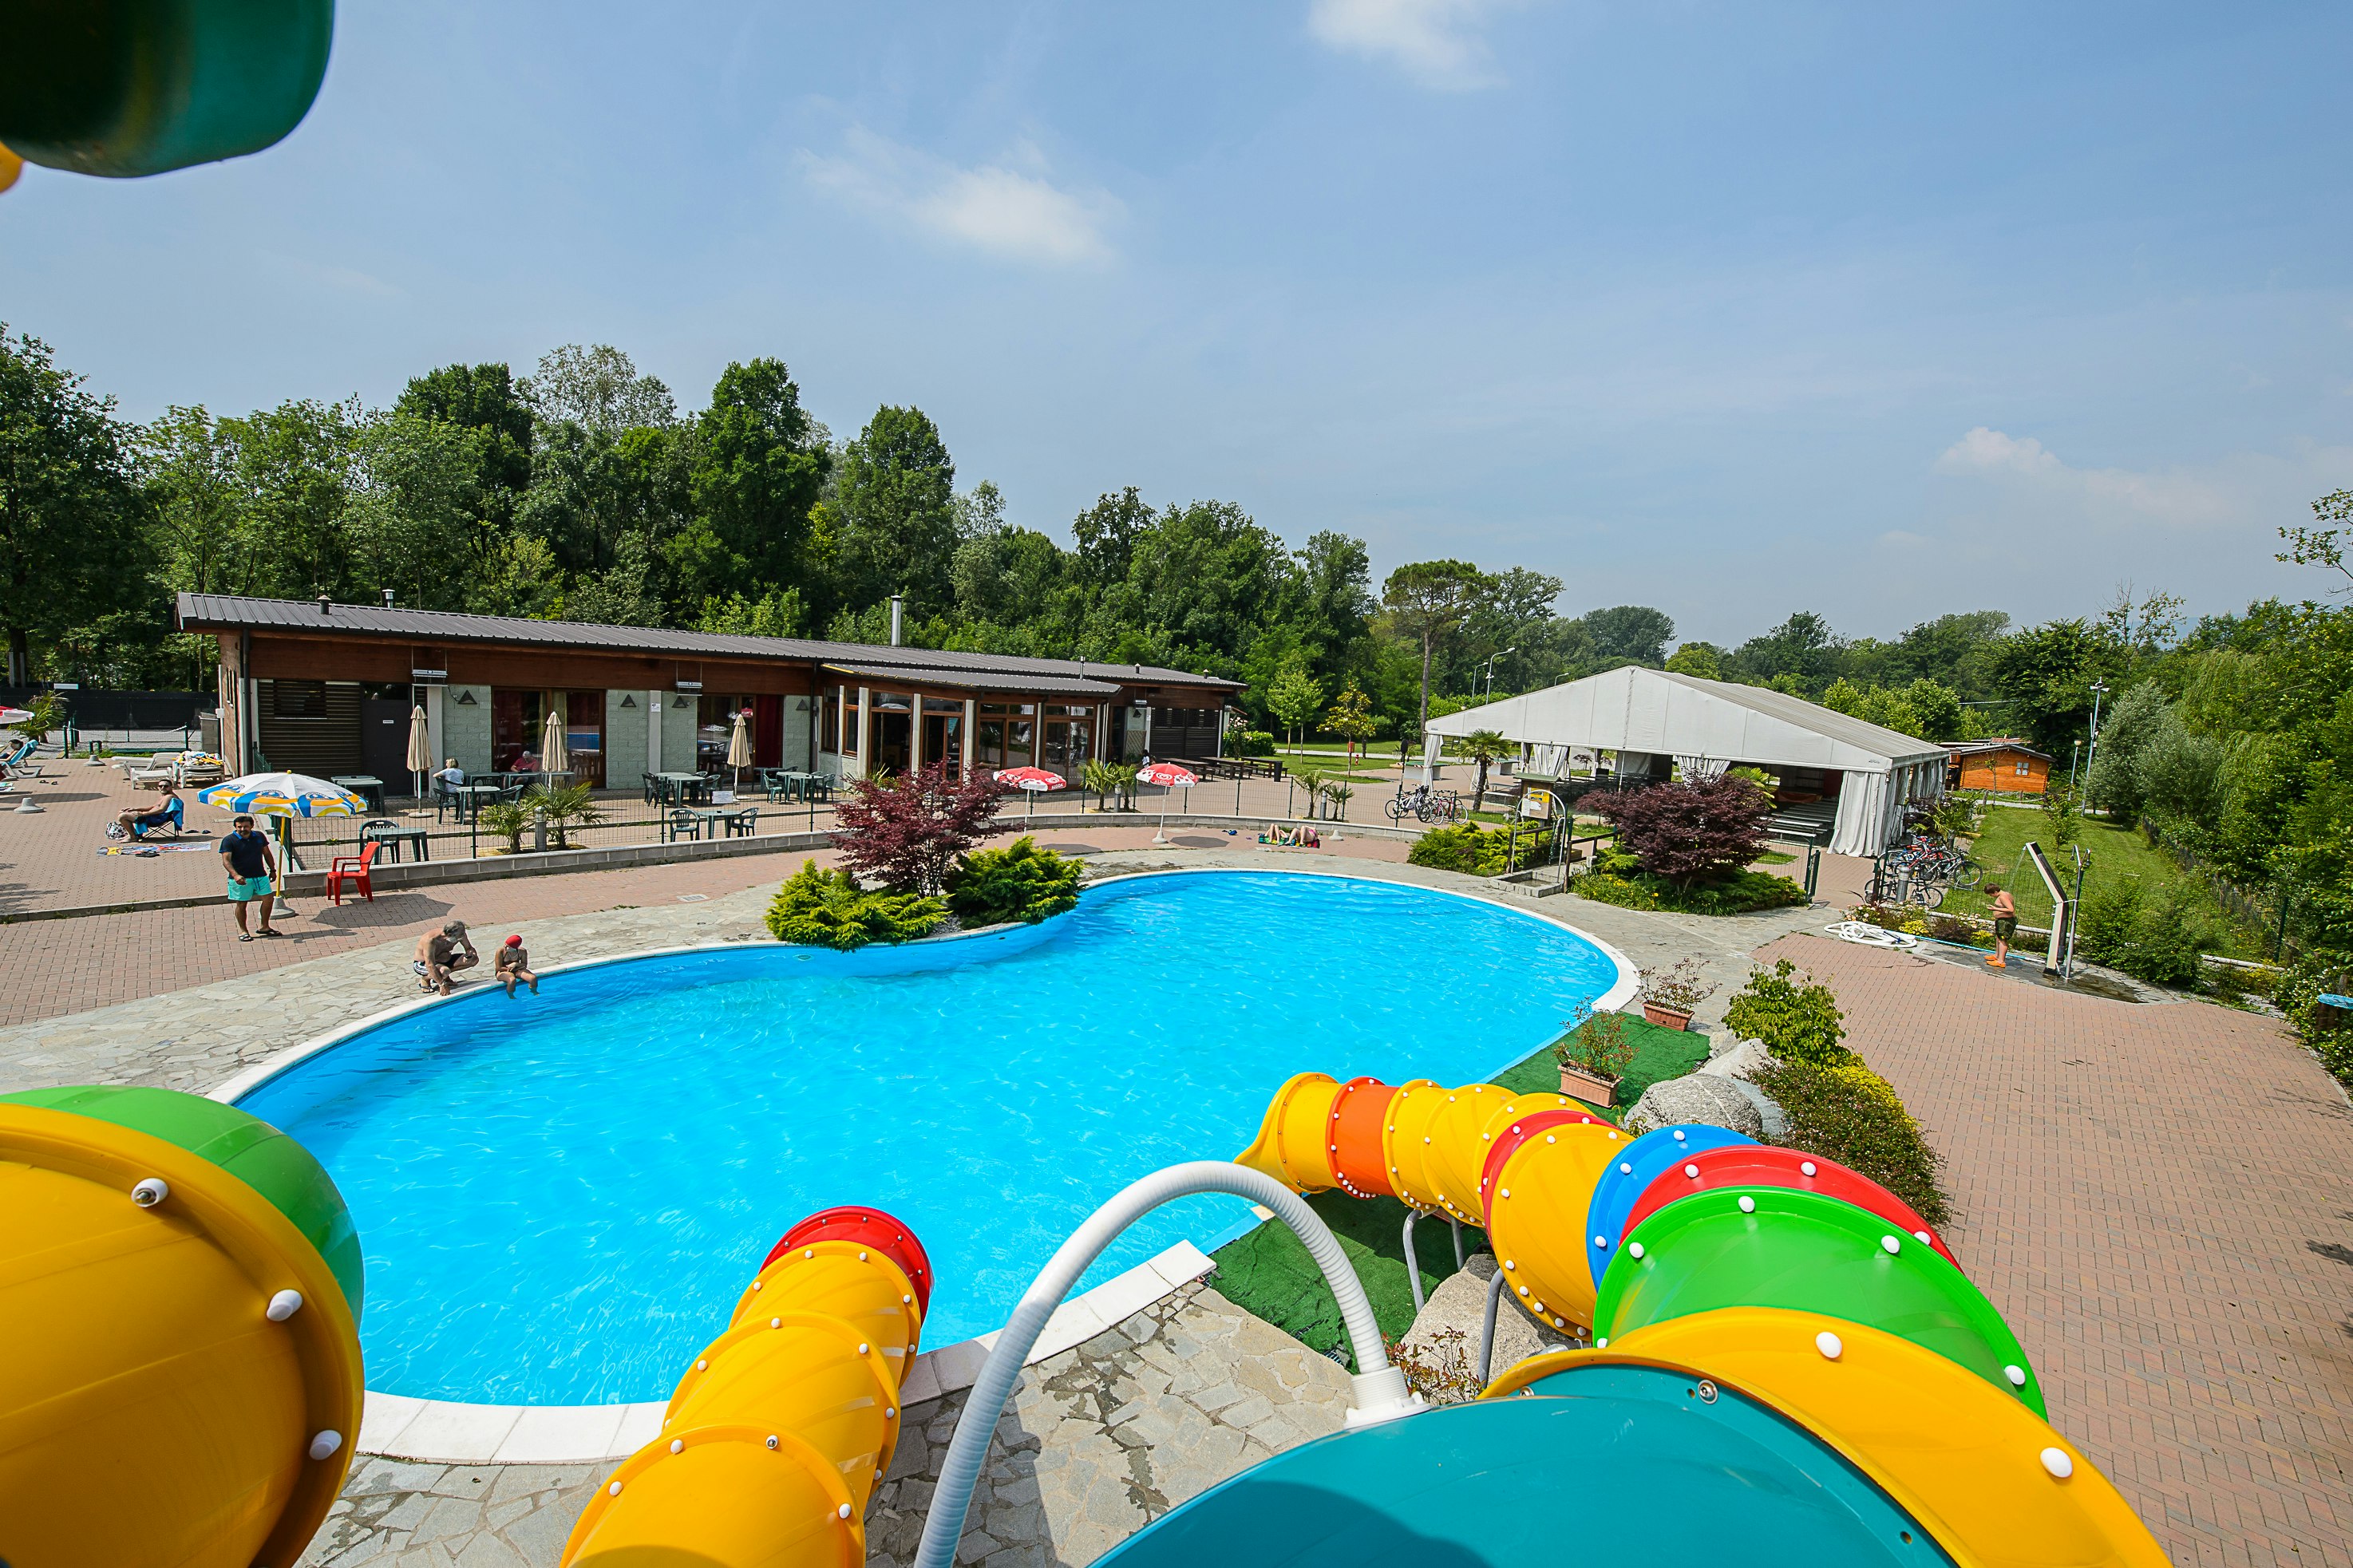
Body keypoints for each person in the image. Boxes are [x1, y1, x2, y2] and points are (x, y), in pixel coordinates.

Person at [219, 813, 279, 940]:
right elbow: (226, 861)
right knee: (242, 904)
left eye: (245, 826)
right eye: (239, 827)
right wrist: (236, 875)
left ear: (252, 826)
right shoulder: (229, 840)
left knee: (269, 899)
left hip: (260, 875)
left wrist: (273, 870)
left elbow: (267, 853)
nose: (242, 829)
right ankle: (243, 931)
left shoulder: (259, 836)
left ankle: (265, 927)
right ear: (235, 827)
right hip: (241, 879)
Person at [413, 920, 480, 995]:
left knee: (474, 960)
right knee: (444, 971)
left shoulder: (460, 935)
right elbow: (430, 964)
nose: (463, 936)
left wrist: (469, 956)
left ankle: (443, 976)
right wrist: (442, 984)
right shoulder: (430, 940)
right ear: (450, 935)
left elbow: (469, 949)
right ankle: (425, 979)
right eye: (461, 935)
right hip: (423, 963)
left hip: (443, 961)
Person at [117, 779, 186, 839]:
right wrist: (135, 809)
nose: (163, 788)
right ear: (158, 788)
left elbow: (161, 810)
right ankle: (134, 834)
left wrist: (143, 814)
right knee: (122, 812)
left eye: (166, 786)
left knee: (122, 816)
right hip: (150, 816)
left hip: (155, 819)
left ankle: (133, 837)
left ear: (171, 787)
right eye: (161, 786)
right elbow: (153, 807)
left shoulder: (169, 797)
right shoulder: (164, 797)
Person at [495, 933, 540, 997]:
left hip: (517, 970)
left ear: (515, 948)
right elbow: (498, 968)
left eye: (508, 947)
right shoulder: (500, 951)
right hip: (503, 971)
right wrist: (512, 968)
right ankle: (511, 996)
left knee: (533, 978)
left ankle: (534, 992)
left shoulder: (522, 951)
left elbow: (524, 965)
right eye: (505, 945)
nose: (505, 947)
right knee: (512, 980)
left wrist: (516, 964)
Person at [1987, 883, 2017, 968]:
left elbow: (2011, 909)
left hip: (2006, 922)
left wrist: (1995, 908)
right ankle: (1997, 956)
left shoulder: (2003, 897)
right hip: (2003, 921)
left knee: (2002, 940)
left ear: (1995, 892)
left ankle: (2001, 961)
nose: (1991, 896)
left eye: (1991, 894)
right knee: (1999, 938)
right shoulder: (2007, 894)